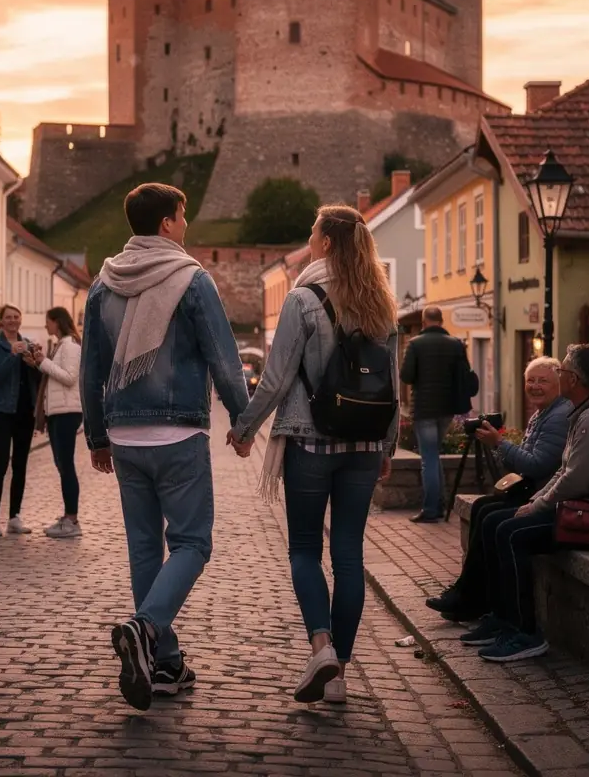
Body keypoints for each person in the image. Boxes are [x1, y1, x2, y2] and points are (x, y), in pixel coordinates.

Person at [82, 182, 249, 712]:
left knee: (143, 548)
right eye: (183, 215)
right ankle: (146, 626)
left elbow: (91, 369)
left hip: (124, 437)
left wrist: (97, 435)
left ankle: (166, 663)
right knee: (192, 543)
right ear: (167, 224)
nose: (187, 224)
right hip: (177, 432)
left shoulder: (104, 283)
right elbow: (224, 358)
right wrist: (243, 422)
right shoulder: (191, 279)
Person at [229, 204, 399, 706]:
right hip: (363, 445)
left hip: (310, 440)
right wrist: (386, 446)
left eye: (312, 234)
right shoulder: (381, 302)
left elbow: (277, 379)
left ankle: (321, 647)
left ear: (325, 244)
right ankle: (339, 675)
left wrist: (244, 428)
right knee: (349, 555)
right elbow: (391, 386)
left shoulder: (303, 299)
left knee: (304, 549)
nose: (308, 241)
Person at [463, 344, 589, 662]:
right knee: (495, 521)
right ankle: (503, 619)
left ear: (573, 379)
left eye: (562, 371)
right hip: (587, 509)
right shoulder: (585, 411)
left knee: (510, 532)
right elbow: (565, 470)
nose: (558, 375)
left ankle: (525, 633)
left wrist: (536, 506)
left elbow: (575, 480)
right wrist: (536, 500)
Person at [425, 357, 571, 621]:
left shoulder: (559, 416)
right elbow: (521, 462)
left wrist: (500, 443)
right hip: (532, 490)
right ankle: (469, 595)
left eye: (543, 381)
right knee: (482, 507)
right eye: (530, 380)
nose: (535, 386)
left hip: (544, 496)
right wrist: (497, 444)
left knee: (492, 519)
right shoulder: (541, 413)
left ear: (559, 384)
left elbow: (537, 465)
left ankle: (477, 601)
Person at [400, 305, 477, 523]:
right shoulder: (456, 344)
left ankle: (431, 509)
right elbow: (464, 374)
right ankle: (440, 504)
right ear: (441, 321)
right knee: (434, 455)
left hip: (424, 409)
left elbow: (406, 376)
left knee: (429, 458)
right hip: (447, 409)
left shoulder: (415, 344)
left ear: (424, 322)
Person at [0, 305, 40, 537]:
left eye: (16, 317)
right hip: (1, 411)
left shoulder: (28, 344)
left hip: (25, 412)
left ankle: (14, 516)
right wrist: (12, 355)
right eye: (8, 317)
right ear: (1, 321)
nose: (12, 320)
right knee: (0, 463)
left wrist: (35, 362)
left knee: (20, 464)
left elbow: (37, 379)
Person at [31, 306, 83, 539]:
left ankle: (72, 519)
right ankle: (68, 516)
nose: (46, 325)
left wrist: (43, 362)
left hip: (67, 412)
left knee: (66, 465)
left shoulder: (70, 346)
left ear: (57, 322)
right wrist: (37, 362)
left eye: (48, 321)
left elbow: (69, 377)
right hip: (57, 412)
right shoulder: (60, 345)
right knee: (62, 465)